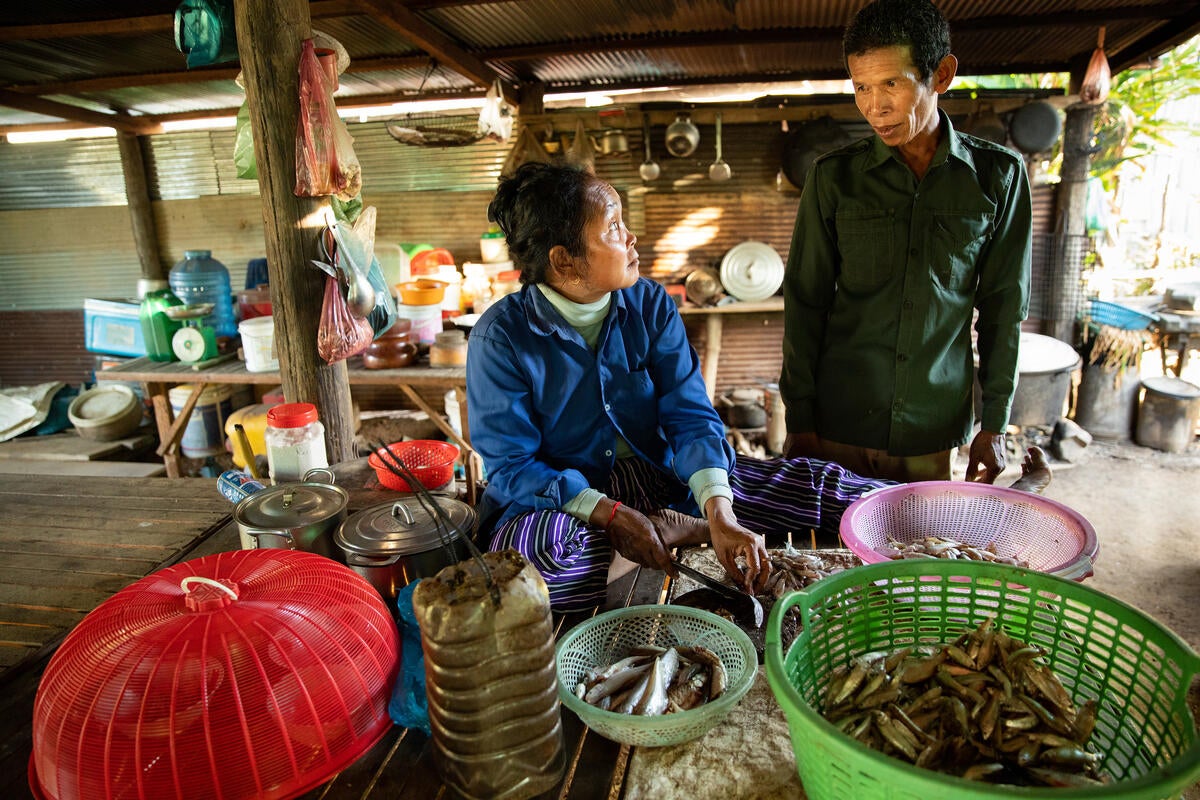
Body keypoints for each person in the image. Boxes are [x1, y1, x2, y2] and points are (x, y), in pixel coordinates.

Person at [466, 161, 1048, 613]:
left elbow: (690, 415)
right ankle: (682, 531)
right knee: (533, 566)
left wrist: (716, 509)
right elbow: (512, 466)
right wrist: (611, 513)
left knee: (824, 486)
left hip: (666, 475)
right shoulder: (502, 337)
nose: (632, 237)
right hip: (572, 500)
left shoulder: (646, 302)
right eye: (614, 227)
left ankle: (991, 518)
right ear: (564, 262)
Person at [779, 0, 1033, 484]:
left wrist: (994, 422)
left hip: (930, 429)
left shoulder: (997, 177)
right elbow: (805, 303)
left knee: (918, 555)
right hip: (840, 422)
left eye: (891, 84)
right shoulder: (833, 178)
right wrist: (801, 418)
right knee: (835, 558)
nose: (874, 106)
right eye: (861, 87)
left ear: (941, 75)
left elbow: (1004, 309)